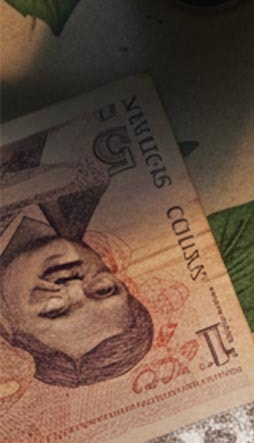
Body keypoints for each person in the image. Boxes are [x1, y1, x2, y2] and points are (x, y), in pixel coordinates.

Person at [0, 136, 153, 388]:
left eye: (54, 310)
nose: (73, 287)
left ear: (6, 325)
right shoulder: (86, 185)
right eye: (103, 290)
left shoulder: (71, 177)